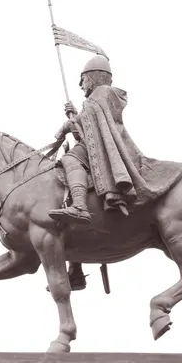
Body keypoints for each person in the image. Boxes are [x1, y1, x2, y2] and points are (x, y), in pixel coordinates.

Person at [47, 54, 152, 291]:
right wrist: (75, 117)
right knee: (64, 192)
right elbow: (88, 132)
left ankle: (81, 208)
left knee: (70, 159)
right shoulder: (97, 99)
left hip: (103, 152)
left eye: (83, 79)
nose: (80, 85)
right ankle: (75, 268)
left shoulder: (101, 95)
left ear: (93, 78)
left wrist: (71, 122)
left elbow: (92, 133)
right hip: (96, 148)